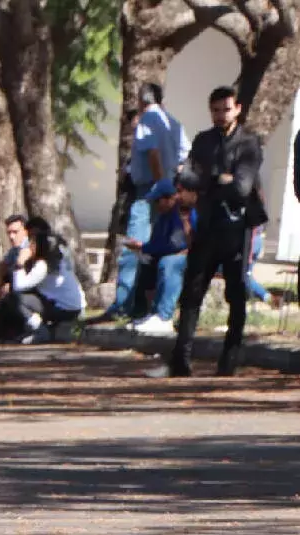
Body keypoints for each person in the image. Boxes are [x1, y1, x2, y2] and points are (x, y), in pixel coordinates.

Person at [164, 86, 264, 378]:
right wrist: (218, 178)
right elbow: (185, 176)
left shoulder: (249, 142)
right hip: (207, 224)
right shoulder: (204, 140)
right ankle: (180, 359)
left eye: (227, 109)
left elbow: (242, 187)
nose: (221, 115)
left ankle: (229, 360)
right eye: (216, 110)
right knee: (193, 290)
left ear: (238, 109)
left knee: (236, 292)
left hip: (237, 227)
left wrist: (207, 180)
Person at [109, 83, 188, 320]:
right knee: (156, 248)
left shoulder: (147, 120)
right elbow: (184, 155)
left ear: (141, 100)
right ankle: (145, 304)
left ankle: (124, 304)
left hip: (149, 192)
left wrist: (160, 185)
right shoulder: (174, 122)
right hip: (169, 190)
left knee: (134, 248)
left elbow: (152, 153)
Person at [120, 178, 196, 335]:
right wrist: (143, 249)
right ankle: (147, 312)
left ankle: (164, 316)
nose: (155, 205)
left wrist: (144, 247)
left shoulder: (182, 213)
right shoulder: (163, 217)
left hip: (193, 256)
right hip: (174, 255)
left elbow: (176, 244)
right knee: (146, 263)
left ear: (169, 198)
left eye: (157, 201)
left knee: (169, 263)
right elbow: (158, 242)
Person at [0, 217, 84, 344]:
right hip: (74, 307)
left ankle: (40, 331)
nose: (28, 245)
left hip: (65, 310)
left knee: (18, 298)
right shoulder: (59, 252)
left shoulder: (43, 265)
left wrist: (20, 263)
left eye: (31, 241)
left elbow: (19, 287)